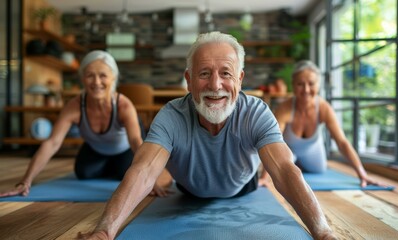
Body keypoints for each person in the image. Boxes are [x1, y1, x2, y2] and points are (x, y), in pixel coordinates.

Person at [78, 32, 336, 239]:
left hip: (242, 188)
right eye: (204, 74)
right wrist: (104, 231)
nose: (215, 85)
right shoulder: (171, 115)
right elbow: (143, 170)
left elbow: (284, 170)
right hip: (189, 191)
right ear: (188, 80)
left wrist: (323, 233)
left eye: (226, 73)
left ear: (240, 79)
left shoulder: (256, 112)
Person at [0, 50, 169, 198]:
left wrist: (149, 179)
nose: (96, 82)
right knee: (83, 173)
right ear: (83, 78)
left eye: (103, 75)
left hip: (124, 149)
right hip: (96, 148)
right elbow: (52, 142)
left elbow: (135, 141)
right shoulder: (74, 106)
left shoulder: (123, 105)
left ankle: (117, 166)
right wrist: (25, 181)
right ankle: (109, 164)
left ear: (113, 78)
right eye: (90, 75)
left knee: (124, 174)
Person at [259, 60, 382, 188]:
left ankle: (301, 164)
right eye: (300, 84)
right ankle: (296, 164)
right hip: (289, 152)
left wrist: (362, 174)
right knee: (285, 171)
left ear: (318, 85)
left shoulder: (324, 108)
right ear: (293, 85)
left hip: (313, 151)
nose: (306, 90)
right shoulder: (285, 108)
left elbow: (342, 142)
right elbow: (272, 142)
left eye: (311, 84)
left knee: (318, 170)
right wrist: (264, 178)